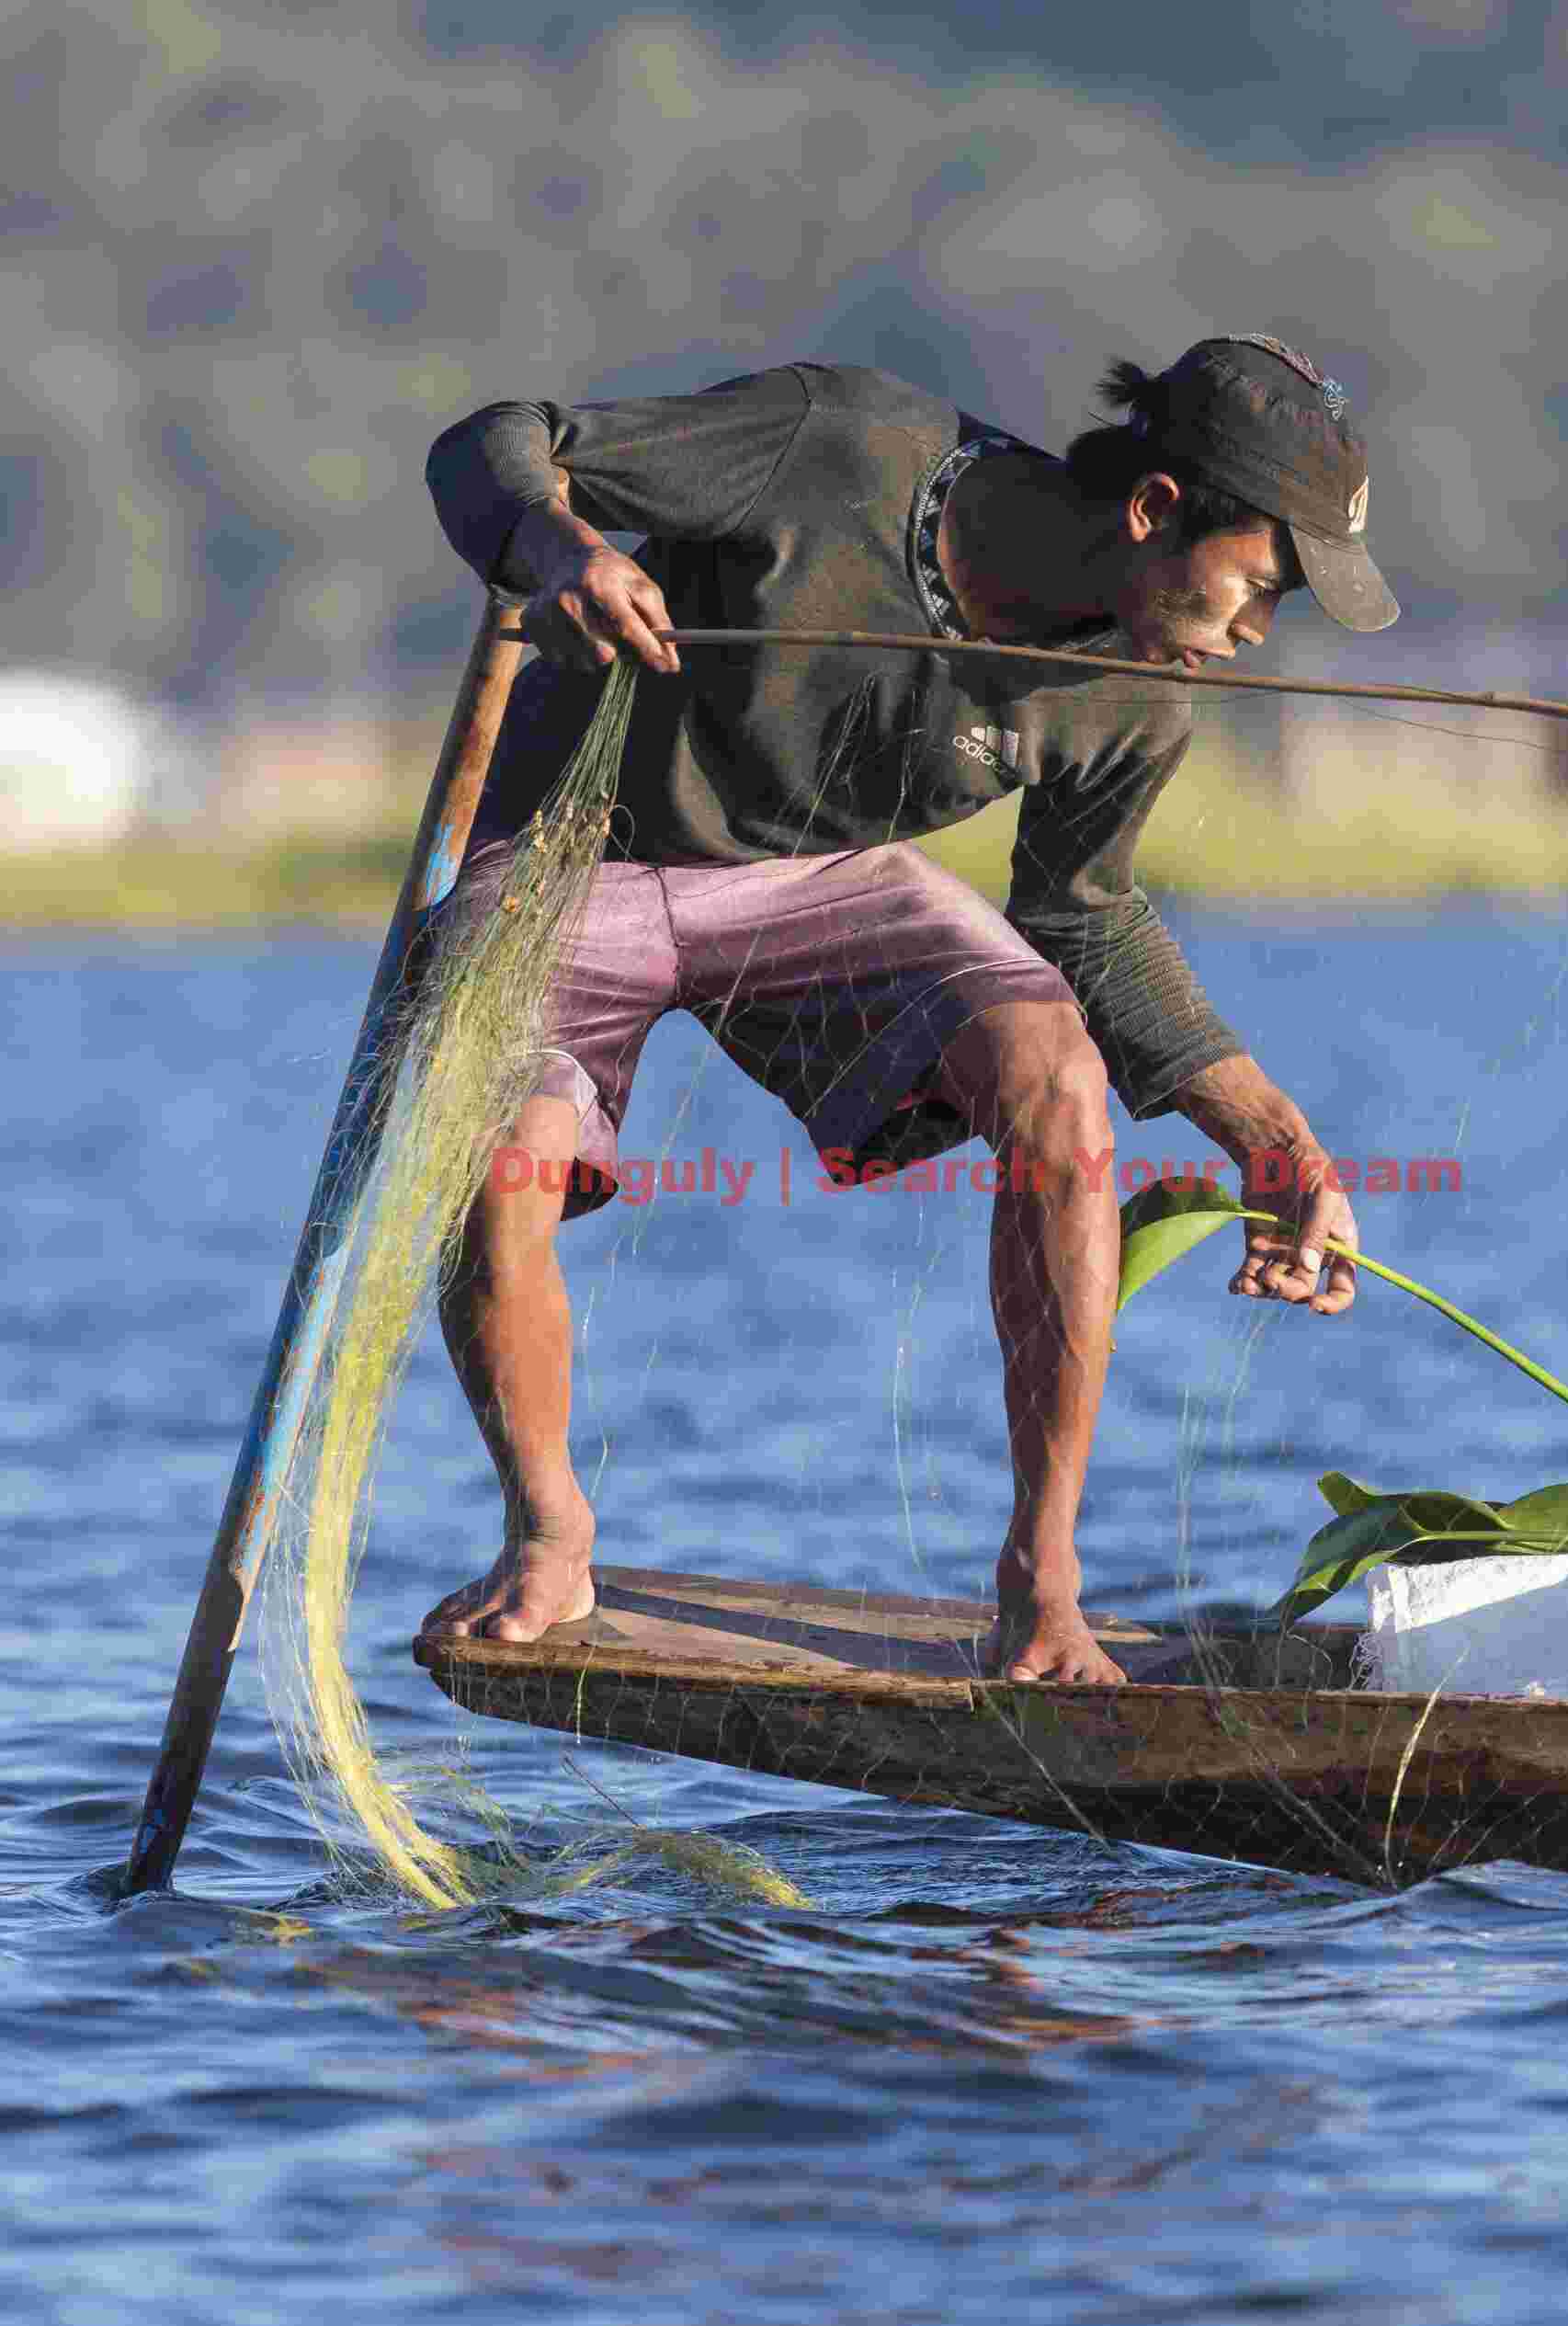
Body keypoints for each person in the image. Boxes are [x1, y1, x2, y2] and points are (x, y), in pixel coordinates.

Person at [418, 332, 1398, 1682]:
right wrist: (560, 552)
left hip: (816, 884)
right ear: (1155, 509)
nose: (1249, 636)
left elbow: (1085, 915)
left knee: (1056, 1074)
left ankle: (1040, 1584)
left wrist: (1270, 1137)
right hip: (569, 852)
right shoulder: (835, 441)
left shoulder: (1136, 689)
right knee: (501, 1141)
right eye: (1259, 586)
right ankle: (547, 1532)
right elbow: (495, 437)